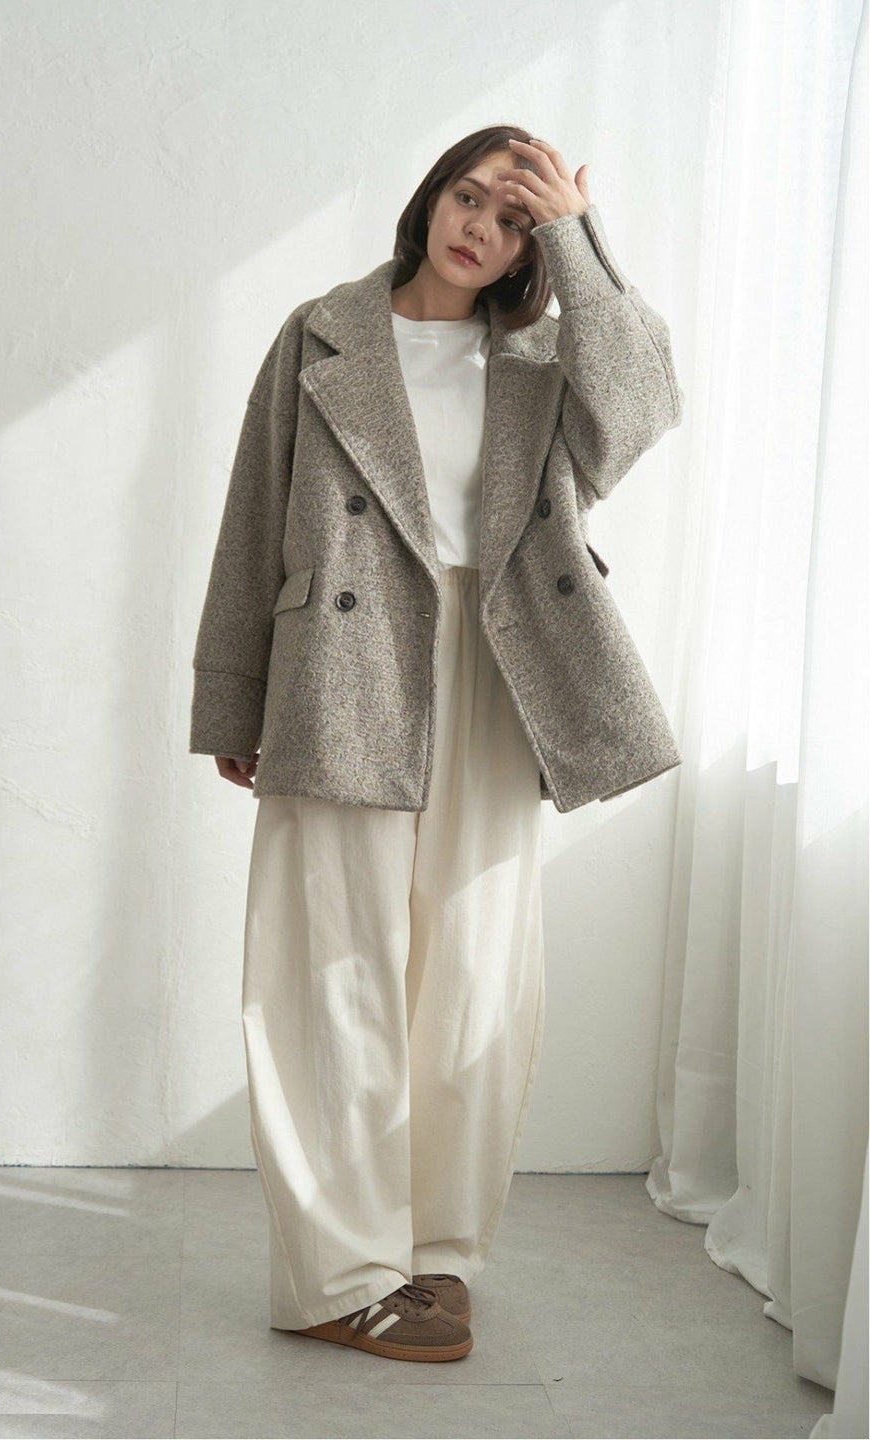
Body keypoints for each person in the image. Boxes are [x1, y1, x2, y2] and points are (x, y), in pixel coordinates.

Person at [189, 125, 684, 1363]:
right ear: (430, 199)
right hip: (342, 665)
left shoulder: (545, 357)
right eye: (471, 197)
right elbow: (254, 513)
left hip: (501, 662)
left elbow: (645, 408)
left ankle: (434, 1252)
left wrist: (578, 237)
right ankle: (337, 1273)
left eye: (516, 220)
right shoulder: (322, 334)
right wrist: (232, 697)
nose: (483, 230)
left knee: (474, 969)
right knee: (329, 968)